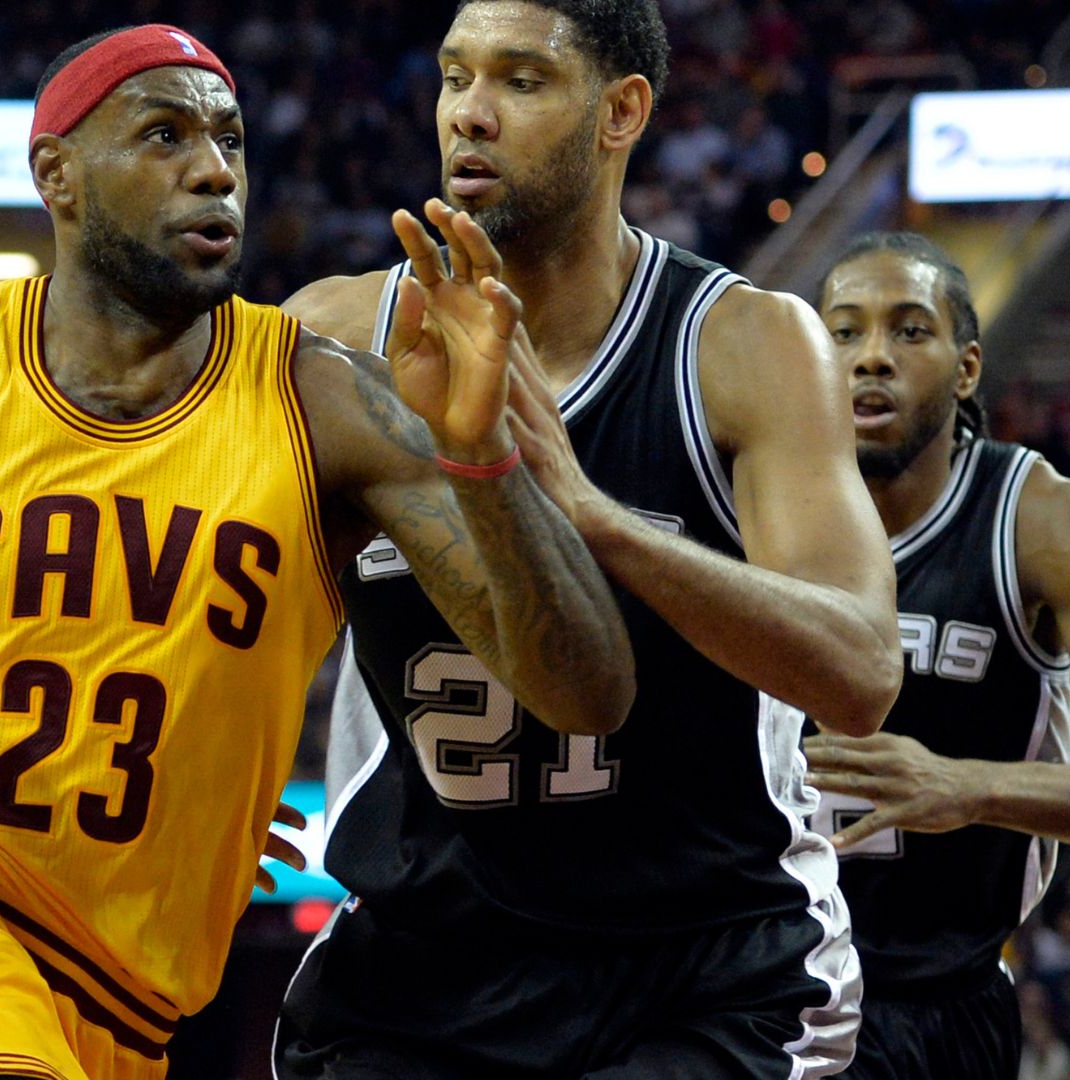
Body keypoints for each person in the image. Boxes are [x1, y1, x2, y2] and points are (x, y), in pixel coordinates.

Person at [0, 23, 632, 1080]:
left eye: (230, 140)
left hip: (121, 1008)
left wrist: (484, 455)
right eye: (164, 135)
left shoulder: (326, 404)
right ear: (58, 175)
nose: (214, 170)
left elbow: (586, 690)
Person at [275, 1, 900, 1074]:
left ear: (621, 111)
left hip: (704, 964)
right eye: (454, 76)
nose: (470, 114)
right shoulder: (333, 339)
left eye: (520, 80)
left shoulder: (744, 345)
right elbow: (229, 606)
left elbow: (860, 673)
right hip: (425, 966)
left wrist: (590, 513)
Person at [799, 232, 1070, 1079]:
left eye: (908, 331)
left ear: (966, 369)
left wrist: (967, 787)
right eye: (844, 332)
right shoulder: (744, 504)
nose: (872, 357)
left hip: (936, 1003)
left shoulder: (1046, 520)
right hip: (754, 983)